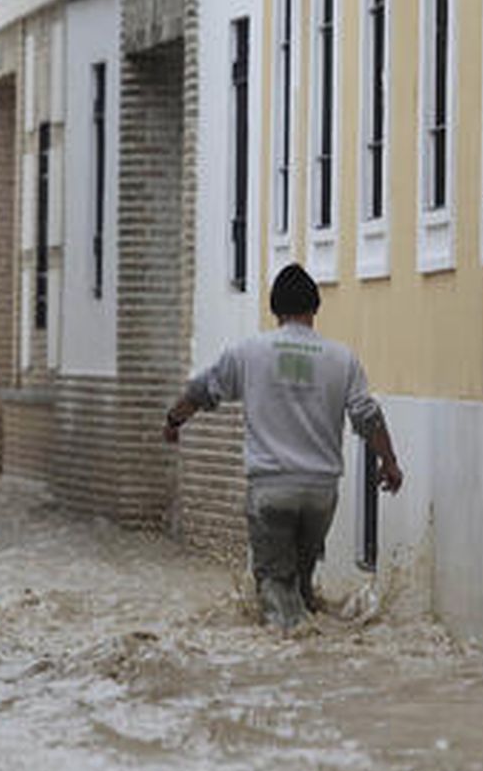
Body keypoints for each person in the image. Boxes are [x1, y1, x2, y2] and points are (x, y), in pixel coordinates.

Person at [164, 264, 403, 630]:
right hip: (321, 495)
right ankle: (317, 657)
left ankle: (290, 653)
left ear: (275, 309)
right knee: (301, 585)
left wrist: (174, 421)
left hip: (271, 489)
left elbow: (201, 391)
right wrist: (389, 463)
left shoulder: (249, 352)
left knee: (275, 584)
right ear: (315, 307)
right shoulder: (342, 358)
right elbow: (367, 415)